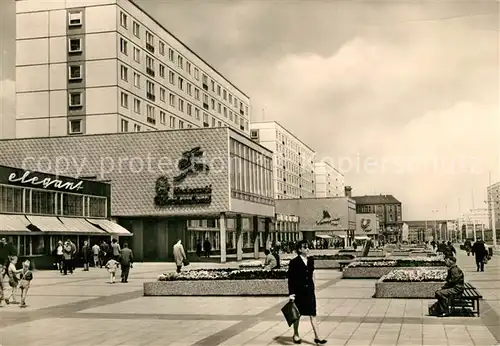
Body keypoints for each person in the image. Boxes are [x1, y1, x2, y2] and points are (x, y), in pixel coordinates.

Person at [287, 240, 326, 345]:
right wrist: (291, 294)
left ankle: (318, 337)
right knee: (297, 314)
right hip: (299, 292)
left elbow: (312, 273)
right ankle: (295, 334)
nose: (307, 249)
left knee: (313, 314)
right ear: (300, 249)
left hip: (309, 291)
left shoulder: (311, 260)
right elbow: (291, 279)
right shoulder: (294, 262)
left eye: (308, 247)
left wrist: (314, 285)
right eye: (305, 247)